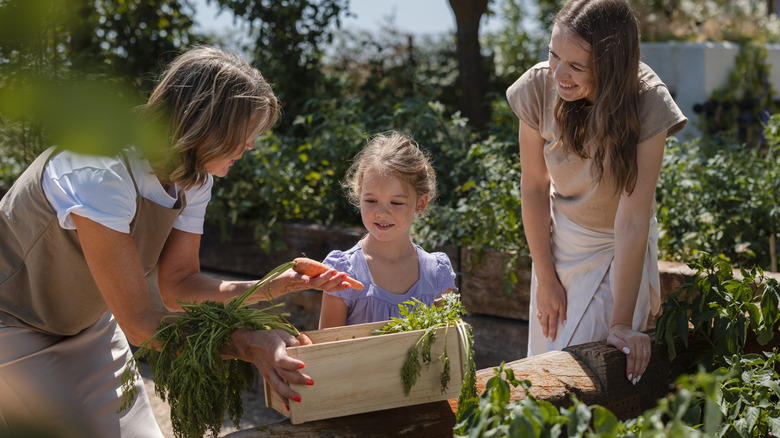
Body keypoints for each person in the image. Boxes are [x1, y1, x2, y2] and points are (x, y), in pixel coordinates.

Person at [0, 46, 357, 437]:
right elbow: (139, 323)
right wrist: (246, 343)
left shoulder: (194, 177)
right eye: (247, 132)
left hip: (87, 326)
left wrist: (271, 286)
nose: (252, 145)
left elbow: (179, 286)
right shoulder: (99, 170)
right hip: (12, 326)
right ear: (206, 122)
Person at [506, 0, 687, 386]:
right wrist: (546, 277)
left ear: (611, 66)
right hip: (559, 248)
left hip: (619, 251)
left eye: (576, 66)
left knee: (594, 380)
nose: (559, 73)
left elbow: (634, 219)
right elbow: (535, 187)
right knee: (543, 375)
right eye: (554, 56)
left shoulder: (648, 100)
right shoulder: (540, 86)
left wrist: (621, 322)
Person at [318, 131, 458, 329]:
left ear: (421, 203)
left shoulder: (437, 274)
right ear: (359, 196)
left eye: (396, 202)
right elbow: (327, 351)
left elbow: (448, 348)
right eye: (371, 200)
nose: (382, 213)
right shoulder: (343, 272)